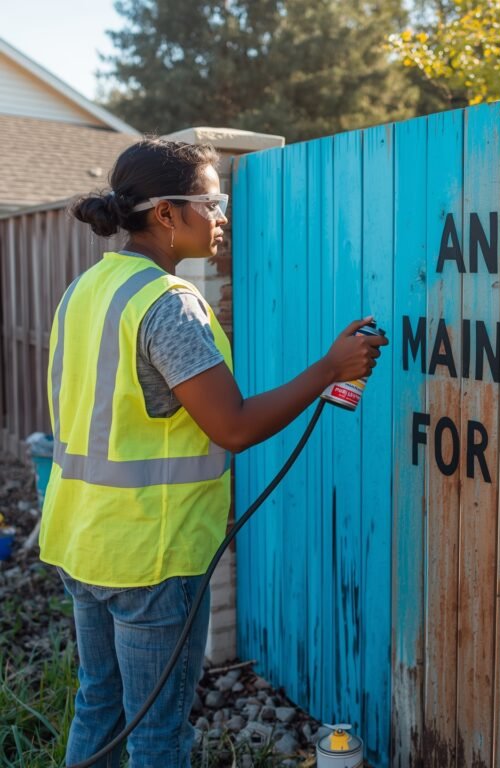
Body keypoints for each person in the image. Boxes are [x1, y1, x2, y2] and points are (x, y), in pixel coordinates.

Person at [38, 137, 388, 768]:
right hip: (151, 554)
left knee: (101, 705)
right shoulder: (167, 304)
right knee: (158, 734)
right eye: (212, 202)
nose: (223, 216)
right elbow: (232, 426)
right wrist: (329, 369)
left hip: (82, 539)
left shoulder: (86, 289)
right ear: (166, 213)